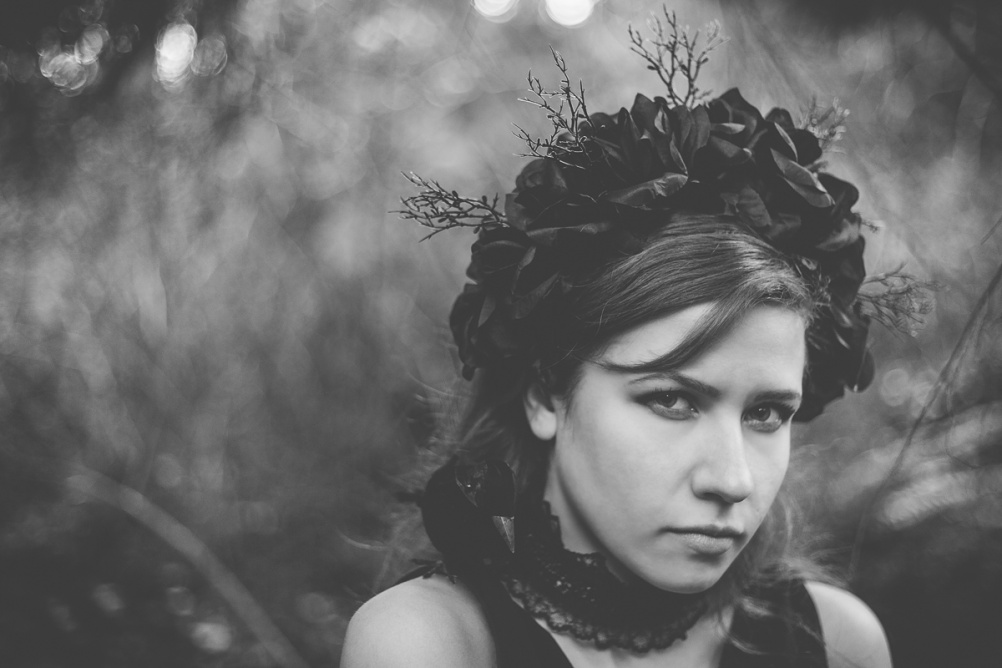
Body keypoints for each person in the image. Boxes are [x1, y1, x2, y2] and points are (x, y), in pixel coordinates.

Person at [343, 14, 898, 668]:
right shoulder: (430, 644)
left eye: (767, 413)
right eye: (672, 400)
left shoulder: (837, 643)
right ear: (545, 393)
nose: (733, 479)